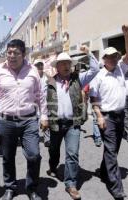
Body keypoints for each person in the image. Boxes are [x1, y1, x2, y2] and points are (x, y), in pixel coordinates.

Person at [0, 39, 48, 200]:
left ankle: (32, 188)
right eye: (9, 53)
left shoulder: (33, 70)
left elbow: (40, 95)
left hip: (29, 120)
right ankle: (10, 187)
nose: (11, 56)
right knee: (7, 157)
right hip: (5, 121)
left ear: (23, 54)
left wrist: (45, 116)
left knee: (34, 155)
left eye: (15, 53)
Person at [46, 46, 99, 200]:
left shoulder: (78, 79)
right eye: (62, 63)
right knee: (54, 151)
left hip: (72, 124)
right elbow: (43, 101)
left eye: (68, 63)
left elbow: (95, 70)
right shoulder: (50, 81)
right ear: (57, 66)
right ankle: (53, 166)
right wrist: (43, 118)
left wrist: (89, 52)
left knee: (72, 154)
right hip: (55, 123)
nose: (66, 66)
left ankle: (71, 184)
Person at [90, 25, 128, 200]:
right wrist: (99, 116)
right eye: (111, 56)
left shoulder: (120, 70)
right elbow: (93, 100)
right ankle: (116, 187)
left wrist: (126, 35)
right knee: (110, 151)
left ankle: (103, 171)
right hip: (106, 117)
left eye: (116, 56)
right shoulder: (98, 76)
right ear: (104, 58)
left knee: (113, 150)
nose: (115, 59)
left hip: (121, 115)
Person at [34, 58, 50, 147]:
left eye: (41, 66)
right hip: (34, 104)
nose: (39, 67)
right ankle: (34, 138)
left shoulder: (47, 77)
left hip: (45, 103)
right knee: (34, 121)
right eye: (37, 66)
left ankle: (47, 138)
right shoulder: (32, 77)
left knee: (45, 119)